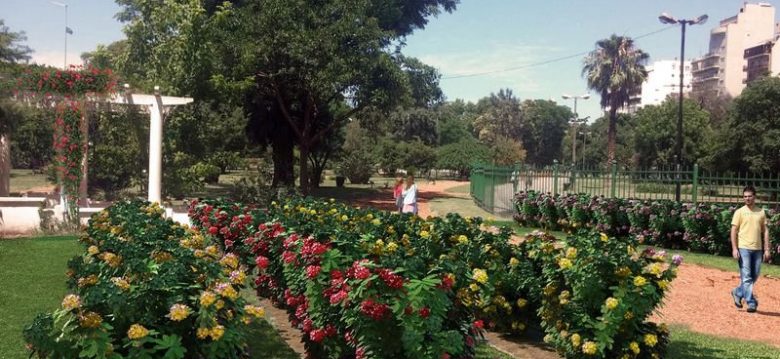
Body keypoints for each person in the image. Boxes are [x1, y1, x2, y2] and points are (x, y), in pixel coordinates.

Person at [730, 185, 771, 313]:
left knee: (754, 275)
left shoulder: (761, 212)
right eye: (745, 196)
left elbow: (765, 231)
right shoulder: (739, 212)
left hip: (758, 249)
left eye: (750, 196)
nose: (747, 198)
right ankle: (751, 302)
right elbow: (733, 230)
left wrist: (767, 249)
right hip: (744, 249)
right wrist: (734, 248)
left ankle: (737, 292)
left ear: (755, 197)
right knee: (747, 276)